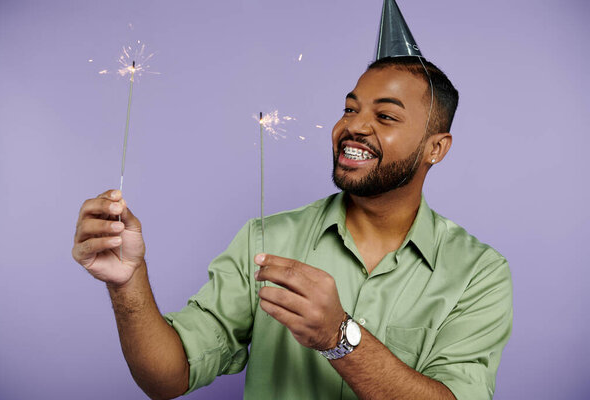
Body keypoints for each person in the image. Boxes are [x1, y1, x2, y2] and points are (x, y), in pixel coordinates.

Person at [72, 55, 512, 400]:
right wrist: (128, 282)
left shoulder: (479, 274)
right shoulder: (265, 240)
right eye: (349, 108)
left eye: (386, 116)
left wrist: (340, 337)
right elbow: (166, 378)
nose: (353, 126)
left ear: (436, 148)